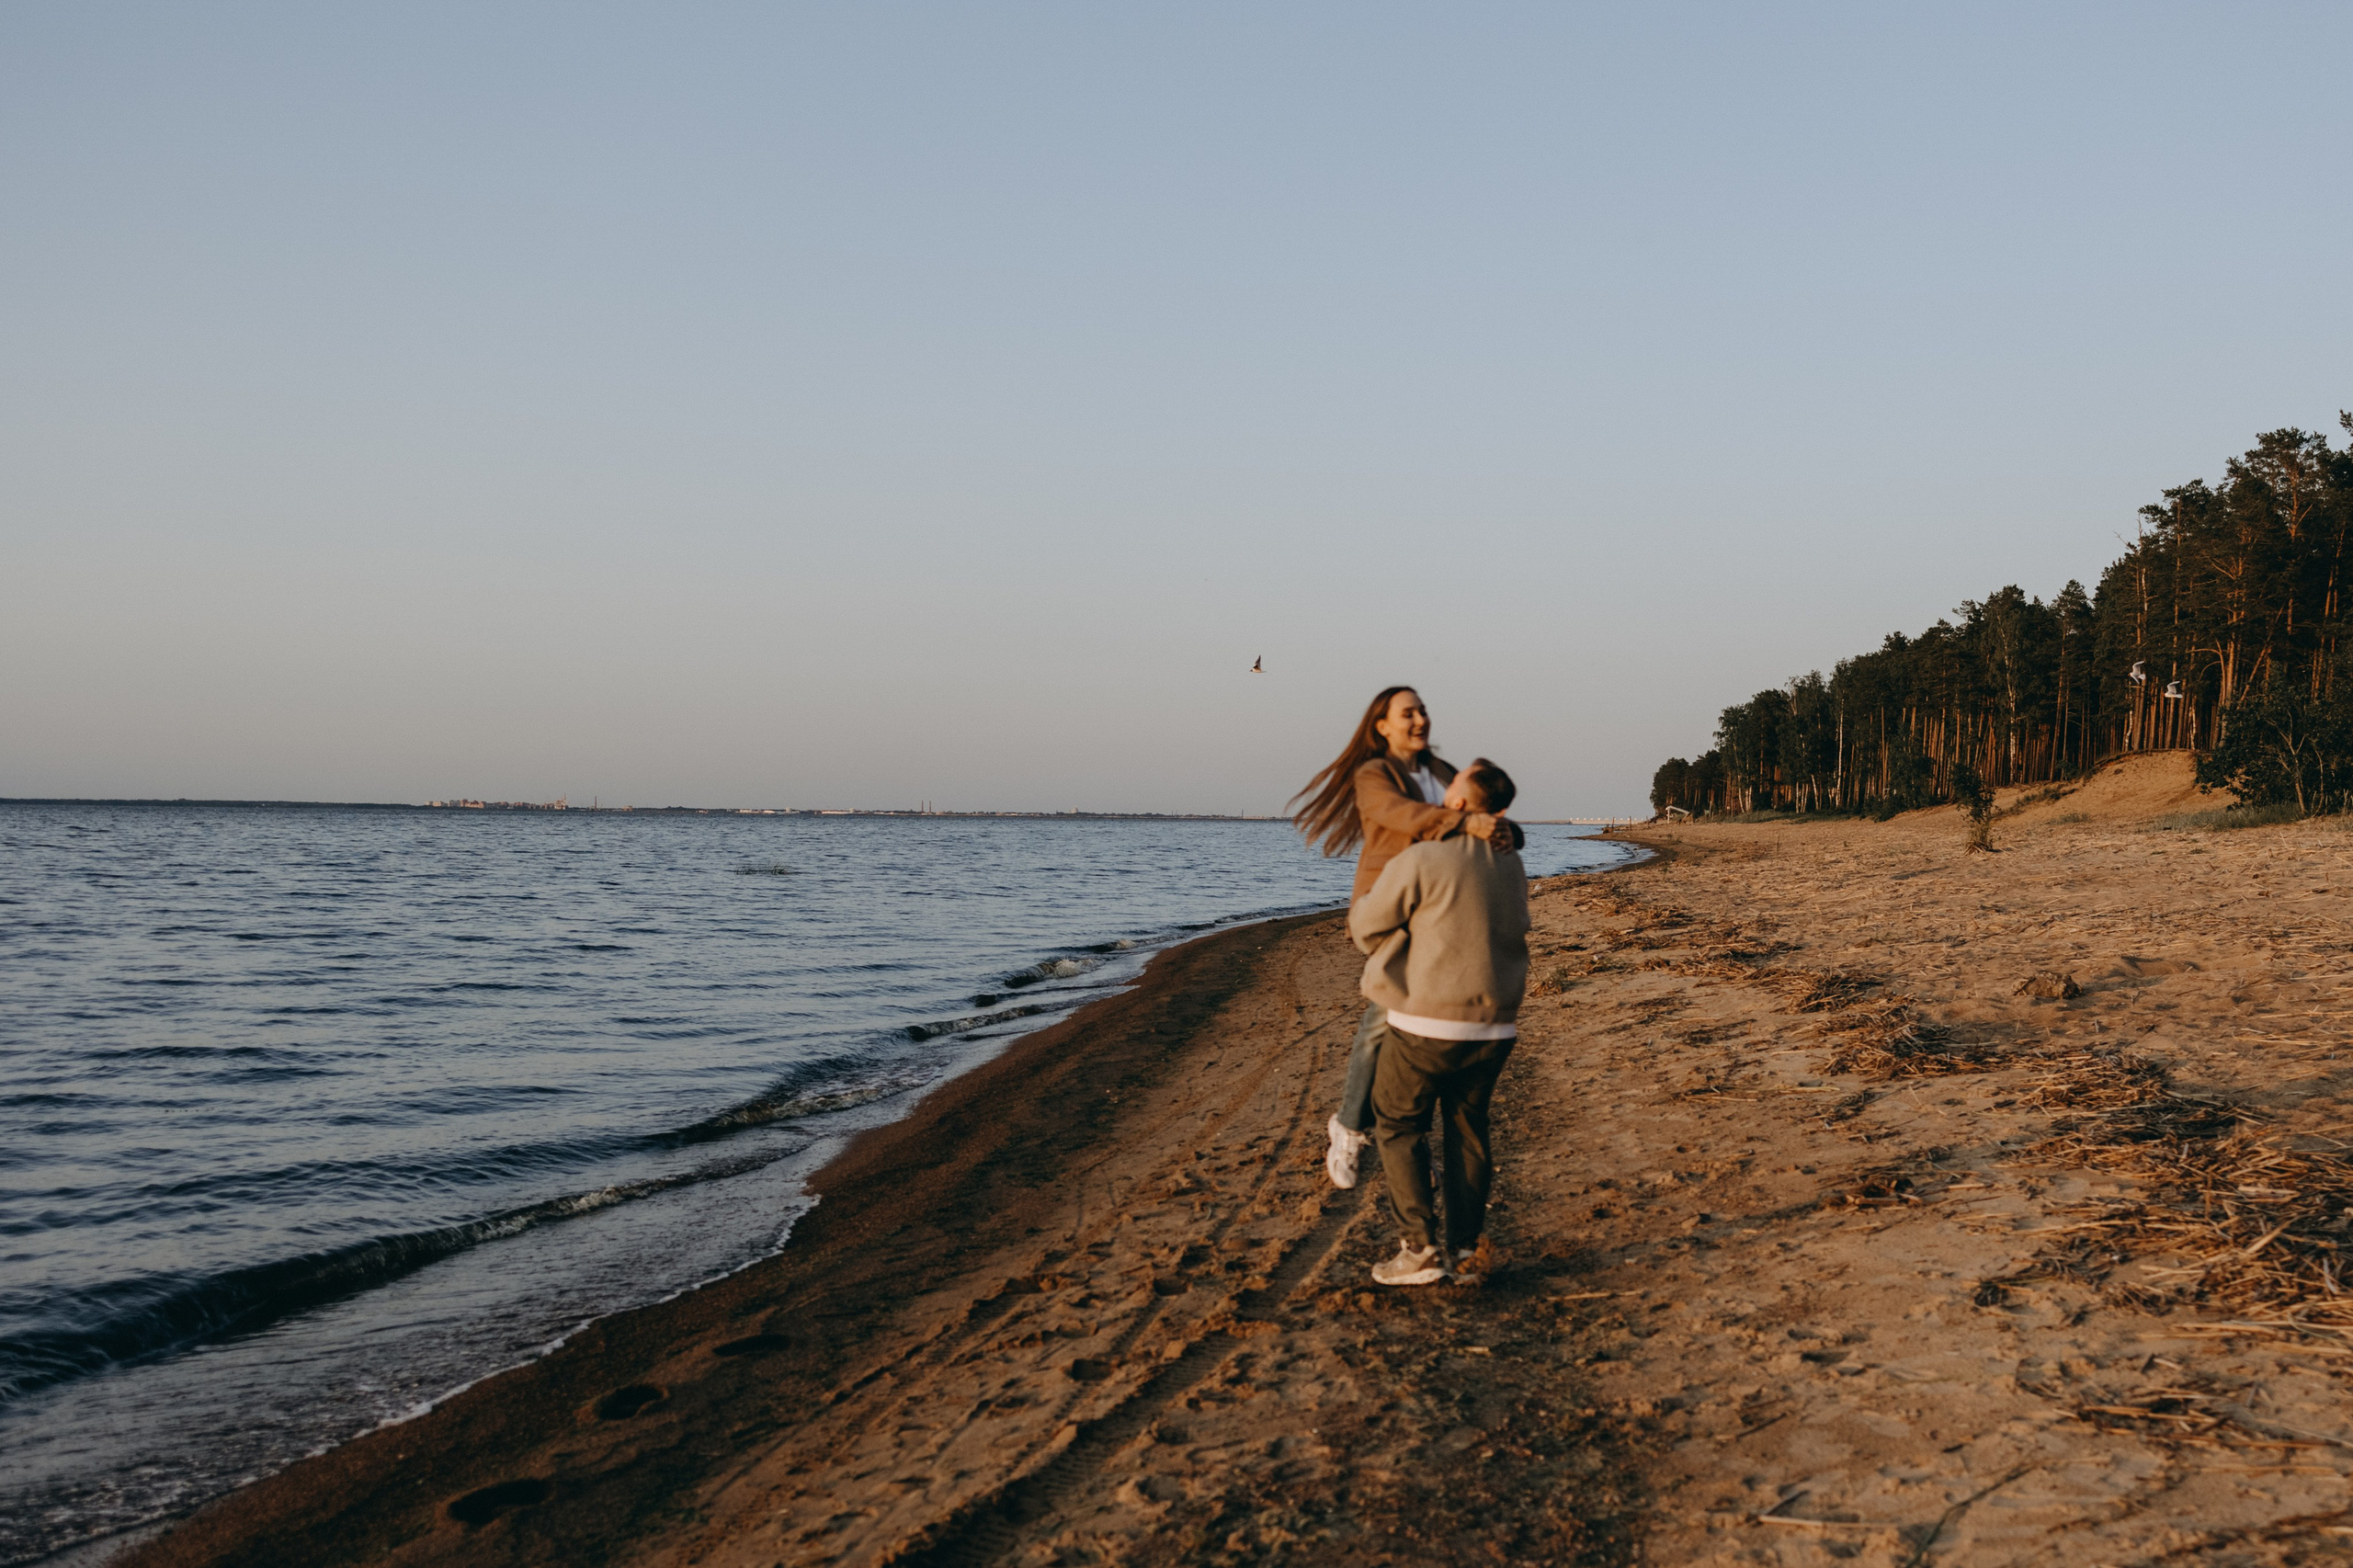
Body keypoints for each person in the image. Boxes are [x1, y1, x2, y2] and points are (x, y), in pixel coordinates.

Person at [1290, 687, 1517, 1188]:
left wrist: (1506, 831)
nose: (1419, 719)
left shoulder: (1439, 771)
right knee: (1386, 1013)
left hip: (1439, 911)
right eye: (1407, 713)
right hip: (1386, 910)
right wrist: (1468, 822)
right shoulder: (1374, 775)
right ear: (1383, 726)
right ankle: (1349, 1126)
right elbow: (1403, 816)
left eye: (1423, 710)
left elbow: (1482, 804)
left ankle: (1403, 1141)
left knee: (1420, 1028)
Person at [1347, 759, 1529, 1287]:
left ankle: (1420, 1248)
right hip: (1496, 1022)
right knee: (1468, 1129)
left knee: (1399, 1122)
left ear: (1457, 804)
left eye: (1452, 783)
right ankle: (1467, 1251)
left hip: (1430, 1021)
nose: (1442, 787)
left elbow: (1365, 925)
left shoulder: (1426, 856)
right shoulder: (1510, 862)